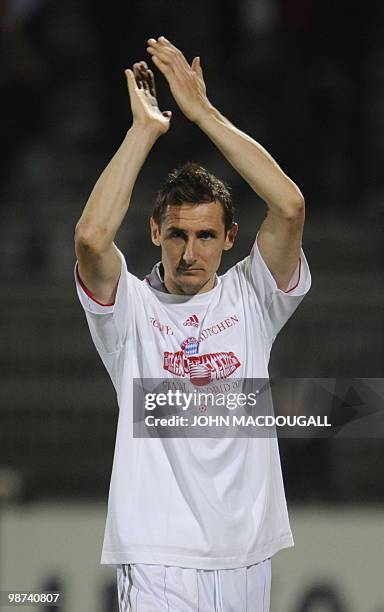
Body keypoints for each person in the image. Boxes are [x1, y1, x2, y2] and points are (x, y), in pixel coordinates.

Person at [74, 36, 311, 612]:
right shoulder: (131, 311)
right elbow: (89, 239)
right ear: (155, 231)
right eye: (176, 233)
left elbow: (289, 207)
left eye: (206, 235)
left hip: (246, 554)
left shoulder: (251, 297)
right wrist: (143, 132)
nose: (189, 252)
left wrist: (202, 113)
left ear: (230, 239)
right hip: (158, 556)